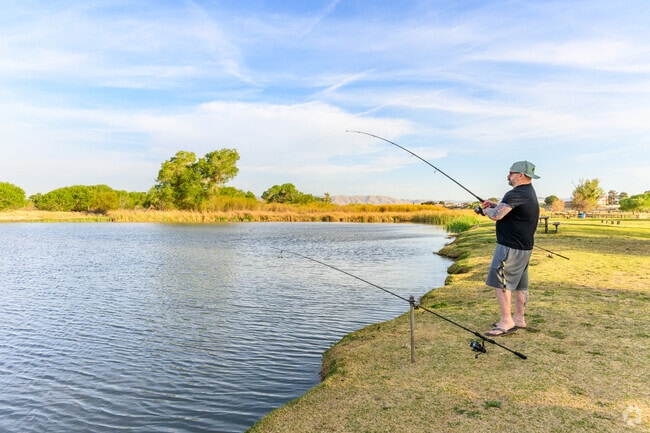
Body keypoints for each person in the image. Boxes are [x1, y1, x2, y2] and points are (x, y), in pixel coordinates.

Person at [479, 161, 540, 337]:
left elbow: (497, 215)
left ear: (521, 175)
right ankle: (519, 319)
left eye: (511, 173)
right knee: (520, 284)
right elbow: (507, 210)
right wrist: (494, 204)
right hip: (523, 247)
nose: (508, 176)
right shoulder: (528, 192)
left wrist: (485, 211)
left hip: (510, 247)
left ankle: (506, 321)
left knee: (501, 281)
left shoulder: (516, 193)